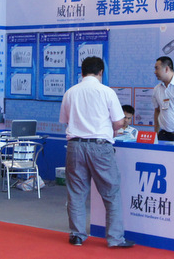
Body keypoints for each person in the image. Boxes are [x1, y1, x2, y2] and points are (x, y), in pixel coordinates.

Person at [59, 56, 134, 248]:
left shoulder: (70, 92)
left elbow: (65, 120)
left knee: (76, 192)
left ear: (82, 72)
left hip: (75, 146)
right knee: (111, 192)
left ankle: (77, 235)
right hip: (100, 146)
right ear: (101, 72)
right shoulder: (107, 92)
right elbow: (119, 122)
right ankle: (115, 239)